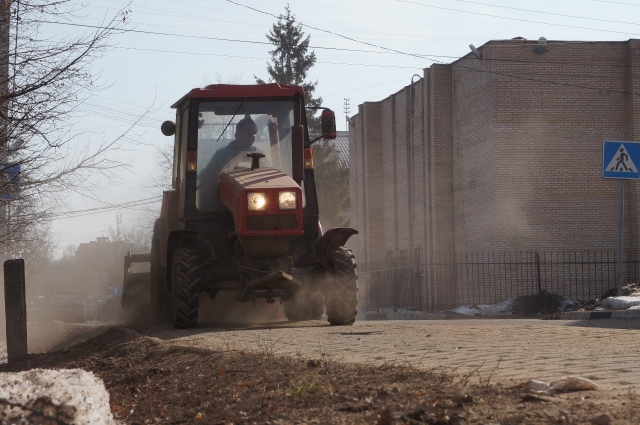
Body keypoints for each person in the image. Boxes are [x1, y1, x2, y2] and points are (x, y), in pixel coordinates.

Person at [197, 116, 261, 210]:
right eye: (247, 131)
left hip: (256, 203)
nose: (251, 134)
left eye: (254, 132)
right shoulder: (222, 155)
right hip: (224, 207)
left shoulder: (261, 156)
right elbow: (209, 182)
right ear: (237, 133)